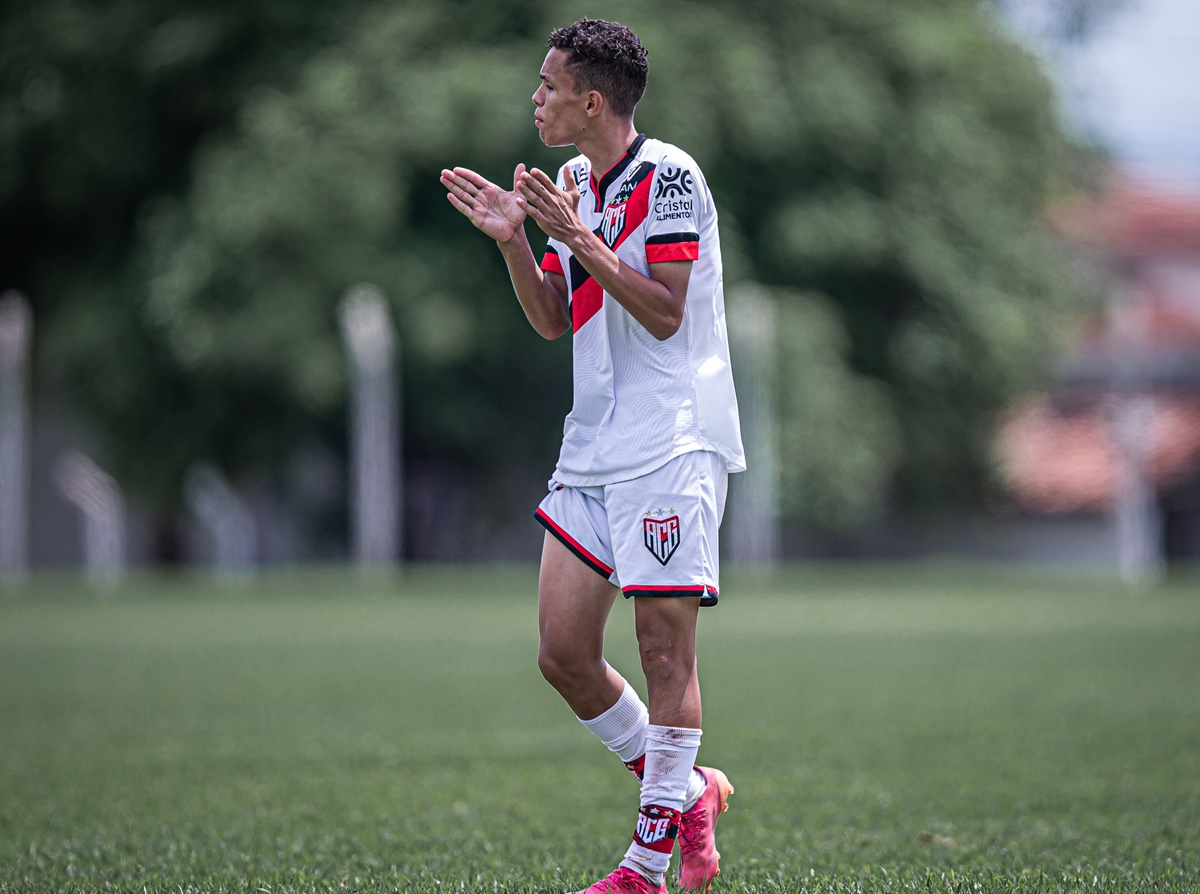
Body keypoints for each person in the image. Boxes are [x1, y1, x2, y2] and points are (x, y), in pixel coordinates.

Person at [440, 18, 745, 894]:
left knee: (660, 647)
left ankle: (646, 867)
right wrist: (515, 242)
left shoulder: (671, 177)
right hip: (594, 445)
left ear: (592, 100)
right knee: (563, 654)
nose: (535, 98)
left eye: (547, 86)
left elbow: (663, 313)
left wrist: (579, 239)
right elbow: (550, 319)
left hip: (670, 442)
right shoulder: (572, 182)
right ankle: (687, 793)